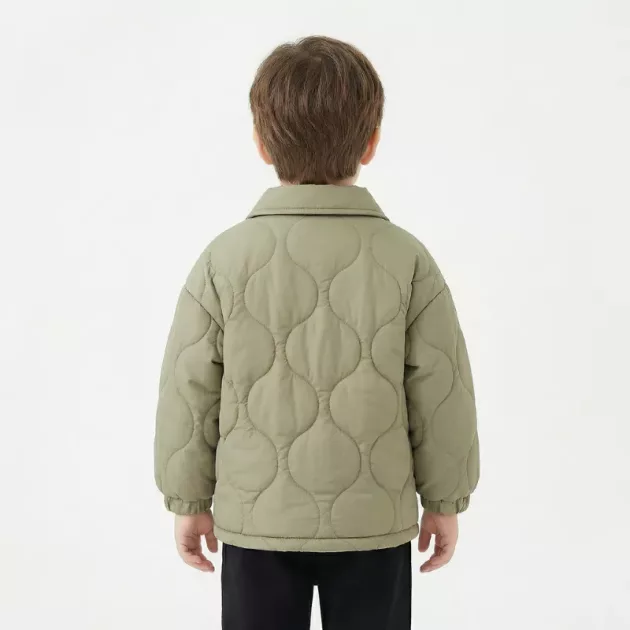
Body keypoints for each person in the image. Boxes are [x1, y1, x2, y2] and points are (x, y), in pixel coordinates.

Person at [154, 35, 480, 630]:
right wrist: (445, 500)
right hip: (373, 521)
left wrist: (188, 500)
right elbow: (442, 391)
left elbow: (189, 388)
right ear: (371, 142)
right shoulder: (407, 259)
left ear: (261, 143)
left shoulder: (224, 259)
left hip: (256, 520)